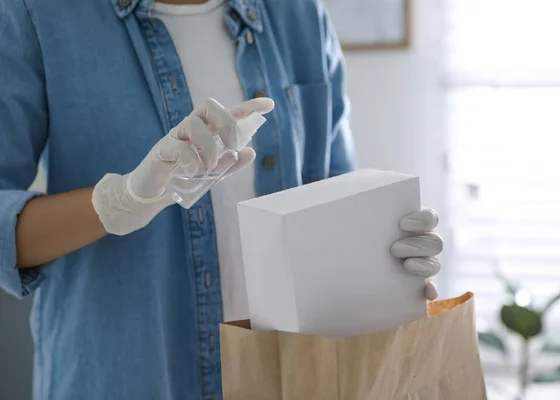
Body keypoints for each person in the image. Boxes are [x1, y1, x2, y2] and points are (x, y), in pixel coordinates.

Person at [0, 0, 443, 399]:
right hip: (120, 378)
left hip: (290, 378)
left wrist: (386, 266)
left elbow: (335, 202)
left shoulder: (300, 16)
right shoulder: (38, 14)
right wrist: (116, 203)